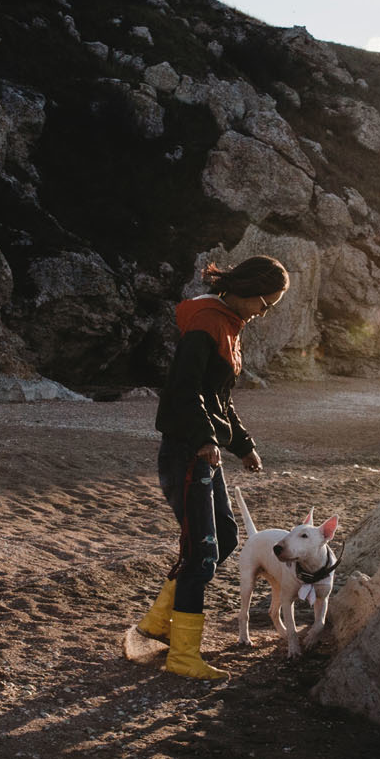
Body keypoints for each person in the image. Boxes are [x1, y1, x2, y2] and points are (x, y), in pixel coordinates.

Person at [135, 255, 289, 680]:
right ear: (247, 290)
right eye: (264, 303)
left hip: (204, 452)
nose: (263, 313)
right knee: (202, 555)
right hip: (188, 453)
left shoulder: (228, 325)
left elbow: (219, 398)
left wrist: (243, 445)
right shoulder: (207, 323)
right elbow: (183, 391)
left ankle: (157, 623)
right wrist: (204, 439)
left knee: (225, 537)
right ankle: (183, 656)